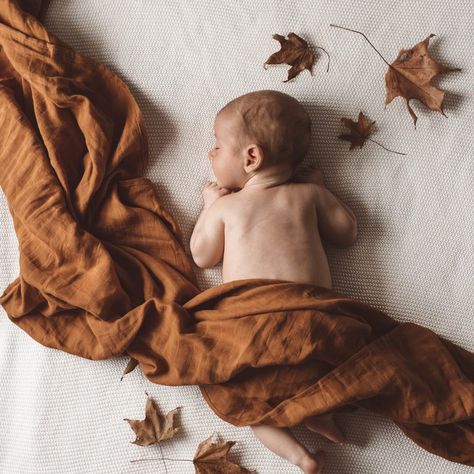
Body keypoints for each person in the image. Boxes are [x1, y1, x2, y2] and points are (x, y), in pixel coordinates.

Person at [190, 90, 357, 473]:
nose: (211, 154)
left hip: (253, 325)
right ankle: (317, 411)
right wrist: (324, 188)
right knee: (316, 373)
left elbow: (202, 255)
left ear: (251, 157)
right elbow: (347, 233)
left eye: (218, 146)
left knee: (247, 401)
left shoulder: (229, 208)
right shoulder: (308, 196)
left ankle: (300, 456)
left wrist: (209, 207)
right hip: (314, 322)